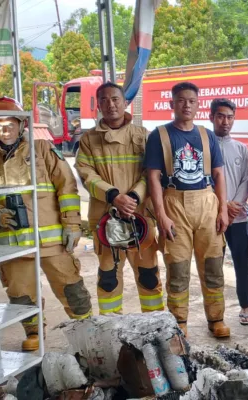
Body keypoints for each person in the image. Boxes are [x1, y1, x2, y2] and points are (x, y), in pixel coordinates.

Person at [0, 97, 92, 351]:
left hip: (52, 241)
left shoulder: (43, 150)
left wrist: (72, 225)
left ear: (21, 124)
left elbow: (67, 188)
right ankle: (34, 331)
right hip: (12, 244)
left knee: (71, 286)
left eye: (10, 124)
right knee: (20, 294)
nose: (5, 130)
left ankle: (87, 330)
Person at [145, 82, 230, 338]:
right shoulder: (159, 136)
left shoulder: (206, 135)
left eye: (192, 101)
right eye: (181, 100)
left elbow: (218, 174)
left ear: (198, 104)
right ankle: (179, 322)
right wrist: (161, 215)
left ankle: (216, 319)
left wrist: (223, 210)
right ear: (172, 104)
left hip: (206, 202)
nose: (187, 105)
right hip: (174, 203)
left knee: (213, 267)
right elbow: (153, 177)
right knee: (178, 269)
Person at [75, 82, 162, 315]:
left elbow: (152, 172)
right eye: (104, 100)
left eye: (115, 99)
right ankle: (111, 329)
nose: (110, 104)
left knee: (149, 277)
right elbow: (85, 173)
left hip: (141, 218)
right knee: (108, 279)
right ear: (98, 105)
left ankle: (155, 327)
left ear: (125, 102)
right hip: (106, 220)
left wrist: (134, 196)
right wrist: (114, 196)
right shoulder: (88, 140)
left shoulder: (143, 136)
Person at [210, 98, 248, 325]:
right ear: (211, 117)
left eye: (229, 117)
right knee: (214, 263)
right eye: (220, 116)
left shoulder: (240, 148)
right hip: (213, 216)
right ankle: (216, 313)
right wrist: (222, 204)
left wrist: (234, 203)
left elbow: (247, 179)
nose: (225, 121)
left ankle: (245, 306)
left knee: (242, 262)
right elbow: (204, 181)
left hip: (238, 217)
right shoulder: (204, 146)